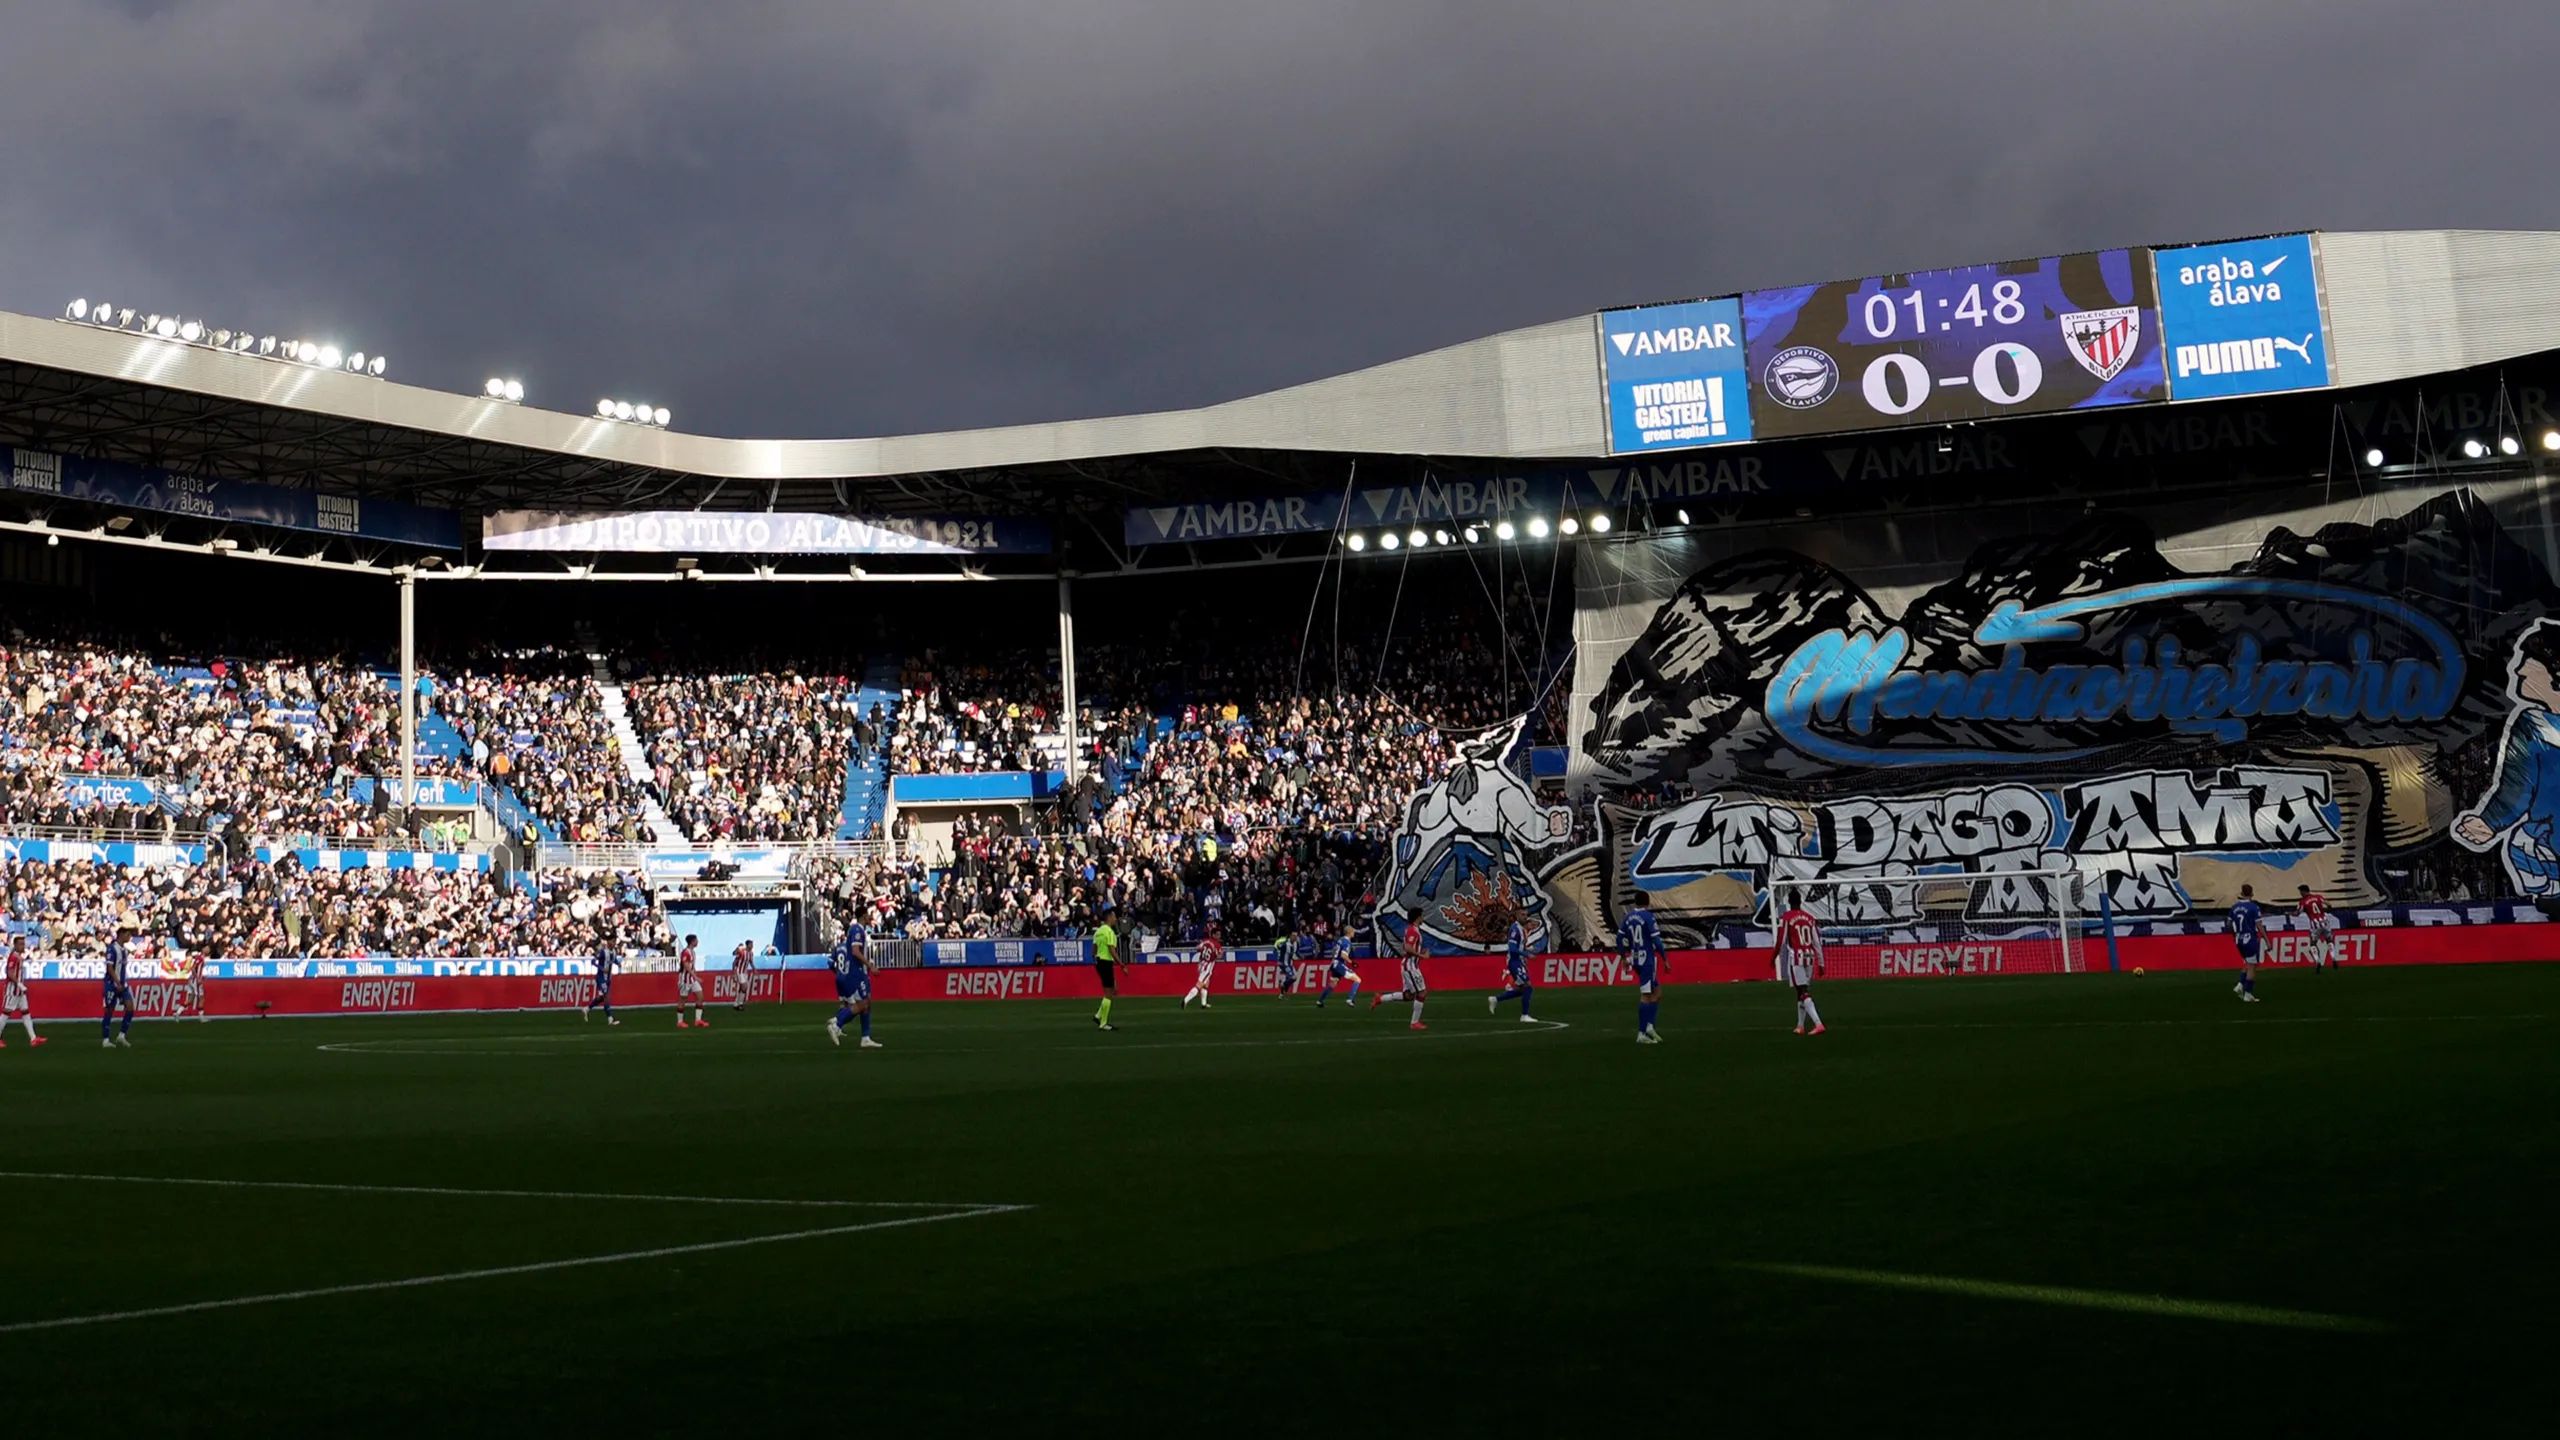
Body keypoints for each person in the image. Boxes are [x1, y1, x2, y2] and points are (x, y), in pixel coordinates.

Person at [1774, 891, 1826, 1035]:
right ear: (1800, 901)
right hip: (1809, 958)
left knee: (1802, 991)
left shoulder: (1787, 917)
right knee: (1800, 991)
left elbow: (1781, 940)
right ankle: (1800, 1025)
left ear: (1789, 902)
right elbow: (1817, 942)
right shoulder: (1810, 918)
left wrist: (1774, 957)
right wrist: (1821, 963)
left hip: (1796, 958)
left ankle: (1818, 1023)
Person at [826, 918, 881, 1049]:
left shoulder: (838, 947)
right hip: (852, 976)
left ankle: (841, 1023)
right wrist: (869, 966)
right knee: (861, 1004)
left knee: (848, 1003)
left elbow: (829, 962)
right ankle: (837, 1023)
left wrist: (837, 972)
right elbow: (855, 956)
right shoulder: (851, 948)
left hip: (840, 977)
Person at [1371, 916, 1429, 1030]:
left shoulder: (1412, 930)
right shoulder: (1412, 930)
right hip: (1410, 966)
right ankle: (1414, 1022)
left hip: (1409, 965)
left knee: (1408, 996)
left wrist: (1420, 952)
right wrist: (1422, 955)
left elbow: (1409, 947)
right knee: (1422, 992)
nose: (1424, 917)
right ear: (1417, 917)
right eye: (1422, 915)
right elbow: (1407, 947)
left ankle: (1381, 999)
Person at [1620, 901, 1665, 1043]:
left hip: (1635, 959)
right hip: (1646, 961)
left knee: (1657, 993)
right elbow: (1656, 940)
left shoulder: (1628, 917)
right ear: (1648, 902)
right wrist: (1665, 958)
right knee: (1646, 996)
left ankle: (1649, 1027)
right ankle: (1641, 1033)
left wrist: (1623, 957)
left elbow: (1619, 937)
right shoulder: (1648, 917)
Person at [1488, 916, 1536, 1022]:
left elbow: (1518, 946)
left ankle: (1496, 999)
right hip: (1514, 962)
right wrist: (1526, 954)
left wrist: (1527, 949)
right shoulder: (1515, 929)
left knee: (1523, 989)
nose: (1532, 926)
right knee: (1527, 987)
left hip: (1519, 961)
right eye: (1523, 915)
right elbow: (1513, 949)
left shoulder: (1521, 930)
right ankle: (1524, 1015)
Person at [2, 933, 43, 1048]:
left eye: (23, 944)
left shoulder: (18, 957)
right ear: (15, 945)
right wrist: (19, 984)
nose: (22, 946)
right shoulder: (13, 957)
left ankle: (33, 1038)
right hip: (13, 990)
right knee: (6, 1013)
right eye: (20, 944)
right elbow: (9, 973)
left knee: (25, 1012)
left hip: (20, 991)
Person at [102, 927, 138, 1048]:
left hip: (123, 984)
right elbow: (110, 968)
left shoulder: (124, 950)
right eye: (128, 934)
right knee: (109, 1011)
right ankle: (106, 1039)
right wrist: (117, 983)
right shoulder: (112, 949)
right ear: (121, 934)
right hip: (112, 984)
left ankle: (121, 1035)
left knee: (130, 1008)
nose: (130, 937)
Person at [2230, 884, 2263, 1003]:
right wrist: (2267, 940)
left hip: (2239, 939)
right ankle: (2247, 994)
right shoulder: (2254, 908)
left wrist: (2234, 935)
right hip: (2250, 938)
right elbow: (2259, 926)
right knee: (2252, 967)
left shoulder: (2234, 907)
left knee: (2248, 962)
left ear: (2242, 893)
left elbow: (2229, 923)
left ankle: (2240, 985)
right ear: (2252, 893)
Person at [1091, 903, 1121, 1031]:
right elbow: (1112, 950)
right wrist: (1122, 964)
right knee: (1109, 993)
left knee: (1113, 989)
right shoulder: (1110, 932)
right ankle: (1103, 1023)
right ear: (1109, 917)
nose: (1116, 919)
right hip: (1106, 962)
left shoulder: (1098, 932)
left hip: (1099, 962)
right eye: (1114, 916)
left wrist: (1097, 961)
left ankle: (1098, 1016)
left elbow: (1094, 950)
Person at [2296, 884, 2338, 971]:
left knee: (2313, 943)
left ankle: (2317, 961)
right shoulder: (2318, 897)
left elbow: (2297, 913)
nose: (2300, 893)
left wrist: (2289, 913)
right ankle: (2333, 958)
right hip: (2325, 922)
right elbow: (2329, 904)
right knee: (2329, 940)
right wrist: (2325, 911)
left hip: (2315, 925)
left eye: (2300, 891)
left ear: (2304, 891)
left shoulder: (2303, 901)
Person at [1316, 931, 1362, 1010]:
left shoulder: (1340, 940)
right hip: (1339, 964)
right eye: (1352, 932)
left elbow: (1334, 951)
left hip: (1334, 963)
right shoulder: (1346, 941)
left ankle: (1320, 1001)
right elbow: (1343, 955)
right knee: (1358, 980)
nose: (1353, 933)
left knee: (1332, 984)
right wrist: (1352, 963)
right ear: (1349, 933)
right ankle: (1350, 999)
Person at [1181, 926, 1222, 1009]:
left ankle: (1203, 1003)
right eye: (1217, 935)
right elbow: (1219, 956)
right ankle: (1186, 1000)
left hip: (1200, 964)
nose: (1219, 936)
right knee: (1199, 985)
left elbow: (1197, 948)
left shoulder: (1205, 941)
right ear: (1213, 935)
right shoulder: (1217, 945)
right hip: (1208, 967)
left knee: (1206, 984)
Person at [676, 933, 707, 1028]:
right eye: (696, 940)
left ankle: (698, 1020)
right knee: (683, 1000)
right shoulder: (686, 952)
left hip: (692, 979)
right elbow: (686, 966)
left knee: (700, 996)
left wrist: (695, 976)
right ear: (692, 941)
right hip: (685, 980)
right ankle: (680, 1021)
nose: (698, 942)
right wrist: (696, 977)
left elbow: (692, 966)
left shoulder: (692, 952)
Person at [583, 944, 619, 1025]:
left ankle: (587, 1009)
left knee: (602, 997)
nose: (613, 943)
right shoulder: (603, 952)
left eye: (614, 941)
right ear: (608, 941)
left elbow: (614, 960)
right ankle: (610, 1018)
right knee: (606, 996)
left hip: (608, 978)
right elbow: (593, 961)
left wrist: (618, 963)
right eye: (612, 941)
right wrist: (601, 968)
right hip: (601, 978)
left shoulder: (613, 951)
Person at [181, 939, 208, 1023]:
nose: (208, 949)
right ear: (203, 949)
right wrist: (198, 978)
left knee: (191, 999)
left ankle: (177, 1013)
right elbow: (193, 968)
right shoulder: (199, 958)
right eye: (207, 948)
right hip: (195, 981)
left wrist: (201, 976)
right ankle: (201, 1017)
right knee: (201, 998)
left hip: (193, 980)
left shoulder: (200, 958)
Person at [729, 939, 755, 1010]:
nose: (752, 946)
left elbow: (751, 961)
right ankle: (740, 1004)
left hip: (745, 972)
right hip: (739, 972)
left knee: (742, 988)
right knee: (744, 987)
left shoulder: (751, 953)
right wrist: (733, 972)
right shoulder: (742, 952)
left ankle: (736, 1004)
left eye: (752, 945)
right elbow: (734, 962)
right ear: (747, 945)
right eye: (751, 944)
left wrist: (754, 969)